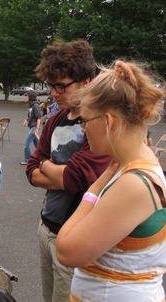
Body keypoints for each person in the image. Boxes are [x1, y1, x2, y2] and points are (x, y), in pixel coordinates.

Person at [56, 60, 166, 301]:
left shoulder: (134, 184)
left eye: (85, 120)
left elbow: (66, 250)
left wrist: (95, 188)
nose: (83, 129)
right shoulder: (131, 165)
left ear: (109, 122)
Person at [25, 39, 111, 302]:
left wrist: (44, 165)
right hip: (46, 227)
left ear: (86, 82)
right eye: (51, 86)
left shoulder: (97, 124)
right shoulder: (55, 120)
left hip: (74, 237)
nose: (54, 93)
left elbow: (75, 178)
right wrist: (51, 170)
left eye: (61, 86)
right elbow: (30, 170)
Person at [20, 94, 42, 165]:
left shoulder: (36, 106)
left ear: (31, 97)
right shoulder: (31, 105)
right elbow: (30, 115)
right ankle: (42, 158)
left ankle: (27, 160)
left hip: (34, 127)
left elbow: (38, 117)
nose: (26, 97)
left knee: (26, 144)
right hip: (31, 125)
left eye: (28, 96)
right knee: (37, 145)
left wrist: (37, 128)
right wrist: (26, 120)